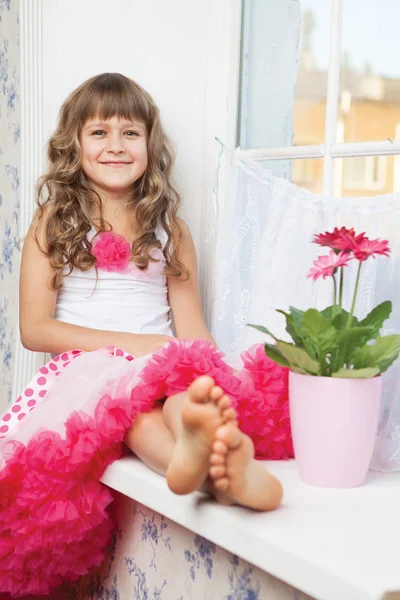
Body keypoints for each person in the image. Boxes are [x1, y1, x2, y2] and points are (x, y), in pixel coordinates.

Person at [0, 73, 291, 598]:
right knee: (132, 412)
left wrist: (214, 371)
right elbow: (35, 329)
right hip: (91, 370)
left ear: (150, 144)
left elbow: (193, 327)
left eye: (130, 133)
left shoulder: (169, 228)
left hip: (163, 361)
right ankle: (194, 470)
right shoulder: (54, 221)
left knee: (190, 392)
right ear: (73, 144)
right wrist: (134, 347)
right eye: (99, 133)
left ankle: (216, 449)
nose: (116, 145)